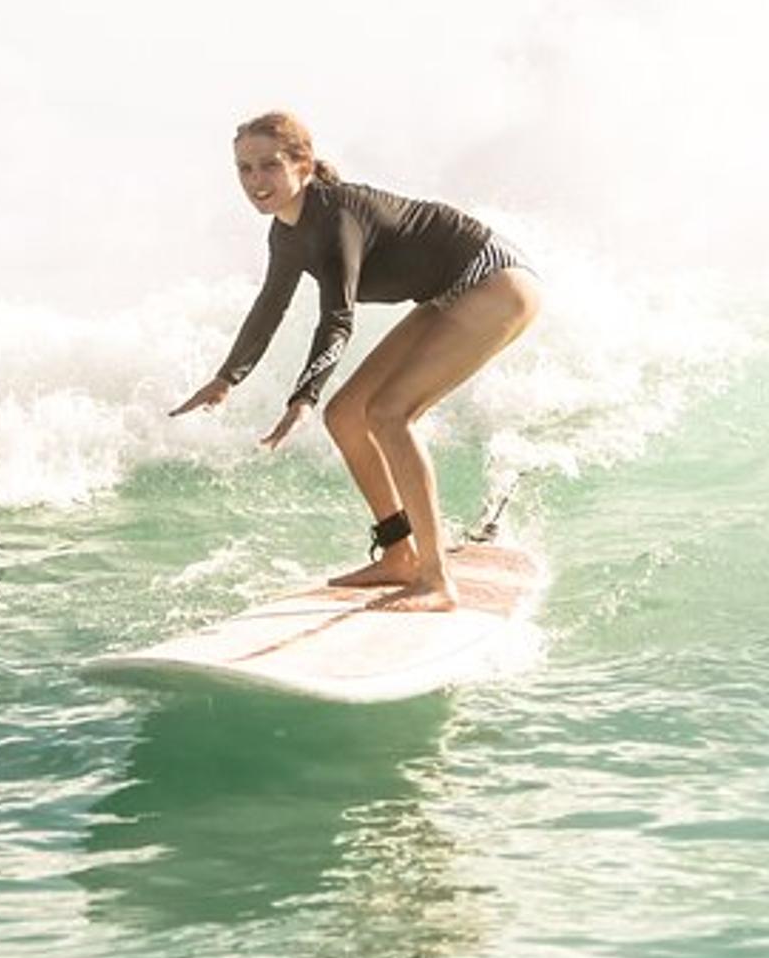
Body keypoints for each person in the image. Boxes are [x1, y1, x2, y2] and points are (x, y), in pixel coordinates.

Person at [170, 111, 542, 611]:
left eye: (269, 166)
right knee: (345, 415)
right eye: (245, 169)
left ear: (302, 164)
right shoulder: (285, 233)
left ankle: (436, 582)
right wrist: (225, 379)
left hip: (493, 281)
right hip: (451, 292)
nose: (256, 181)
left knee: (390, 415)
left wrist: (302, 396)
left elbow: (338, 317)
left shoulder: (335, 216)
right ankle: (399, 555)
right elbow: (269, 307)